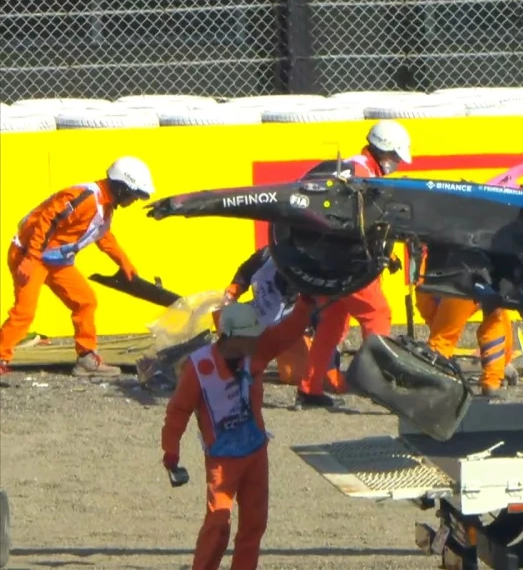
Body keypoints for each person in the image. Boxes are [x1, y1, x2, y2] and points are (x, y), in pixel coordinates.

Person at [161, 301, 310, 570]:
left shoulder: (258, 351)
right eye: (251, 336)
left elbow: (288, 331)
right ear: (232, 336)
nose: (258, 340)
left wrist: (306, 304)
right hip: (222, 460)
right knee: (218, 525)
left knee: (254, 525)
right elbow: (178, 411)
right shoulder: (199, 368)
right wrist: (171, 452)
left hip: (255, 453)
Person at [0, 156, 155, 377]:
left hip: (53, 261)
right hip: (29, 255)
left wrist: (124, 263)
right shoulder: (85, 197)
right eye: (132, 195)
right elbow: (47, 221)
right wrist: (30, 258)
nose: (132, 201)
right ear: (120, 187)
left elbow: (104, 237)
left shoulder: (105, 207)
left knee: (85, 301)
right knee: (24, 313)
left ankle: (86, 359)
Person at [294, 120, 412, 408]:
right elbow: (358, 222)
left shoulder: (355, 168)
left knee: (332, 323)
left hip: (331, 261)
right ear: (383, 151)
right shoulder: (360, 173)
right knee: (378, 314)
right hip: (349, 263)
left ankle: (309, 389)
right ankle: (381, 387)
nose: (397, 163)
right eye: (395, 157)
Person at [221, 245, 344, 393]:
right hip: (262, 319)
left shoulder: (313, 273)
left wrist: (330, 367)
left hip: (293, 329)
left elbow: (325, 326)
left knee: (293, 374)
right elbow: (246, 272)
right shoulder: (269, 256)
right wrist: (234, 289)